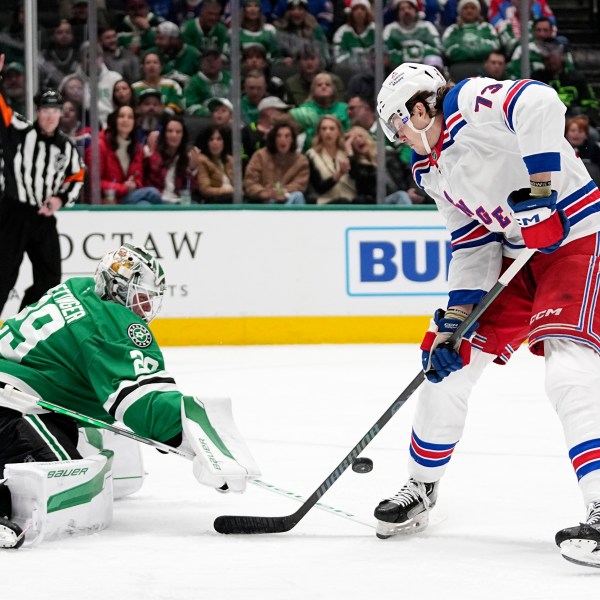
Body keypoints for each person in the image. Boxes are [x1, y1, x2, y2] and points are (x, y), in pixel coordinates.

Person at [374, 62, 600, 568]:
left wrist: (541, 190)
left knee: (568, 369)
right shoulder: (428, 169)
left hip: (574, 239)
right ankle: (422, 486)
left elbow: (541, 103)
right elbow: (473, 242)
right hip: (513, 258)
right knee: (445, 362)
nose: (399, 139)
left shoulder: (465, 101)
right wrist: (455, 317)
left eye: (398, 126)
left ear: (417, 108)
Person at [0, 243, 259, 548]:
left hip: (17, 400)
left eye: (150, 301)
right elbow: (143, 403)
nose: (144, 309)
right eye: (140, 298)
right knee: (61, 478)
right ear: (116, 287)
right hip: (10, 408)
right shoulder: (110, 323)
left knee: (80, 453)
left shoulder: (77, 288)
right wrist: (195, 442)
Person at [0, 63, 85, 318]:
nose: (50, 115)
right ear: (37, 112)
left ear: (61, 114)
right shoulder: (18, 131)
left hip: (42, 218)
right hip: (12, 214)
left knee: (50, 279)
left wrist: (60, 199)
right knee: (3, 276)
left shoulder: (66, 147)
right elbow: (2, 108)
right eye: (45, 110)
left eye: (55, 110)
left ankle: (22, 325)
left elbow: (77, 175)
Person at [84, 105, 162, 205]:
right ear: (114, 120)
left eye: (130, 117)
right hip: (108, 200)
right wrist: (123, 188)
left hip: (129, 197)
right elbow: (94, 183)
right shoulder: (99, 146)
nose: (126, 120)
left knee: (144, 205)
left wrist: (134, 184)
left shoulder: (137, 148)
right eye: (121, 116)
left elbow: (138, 178)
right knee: (152, 194)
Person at [243, 120, 308, 204]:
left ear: (292, 139)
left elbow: (300, 184)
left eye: (287, 136)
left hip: (289, 197)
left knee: (298, 196)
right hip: (264, 201)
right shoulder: (260, 156)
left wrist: (284, 191)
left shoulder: (301, 160)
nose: (283, 140)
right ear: (273, 138)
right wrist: (267, 193)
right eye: (279, 136)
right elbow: (250, 183)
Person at [306, 115, 356, 204]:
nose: (328, 132)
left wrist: (349, 151)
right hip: (325, 203)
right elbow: (319, 188)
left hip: (351, 201)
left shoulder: (347, 152)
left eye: (332, 129)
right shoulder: (311, 155)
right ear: (319, 133)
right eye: (324, 129)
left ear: (339, 132)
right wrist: (339, 174)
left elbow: (358, 175)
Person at [143, 113, 191, 203]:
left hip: (177, 201)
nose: (174, 135)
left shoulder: (186, 157)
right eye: (170, 131)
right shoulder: (152, 152)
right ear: (164, 134)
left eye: (178, 132)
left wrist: (192, 169)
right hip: (157, 200)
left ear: (183, 135)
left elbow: (190, 190)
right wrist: (150, 154)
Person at [195, 124, 234, 203]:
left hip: (233, 201)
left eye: (219, 139)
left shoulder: (230, 160)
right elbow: (205, 190)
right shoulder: (202, 160)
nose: (215, 143)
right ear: (206, 143)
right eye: (211, 139)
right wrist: (226, 191)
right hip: (214, 203)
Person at [565, 115, 600, 187]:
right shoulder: (561, 149)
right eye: (573, 131)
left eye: (580, 131)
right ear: (566, 133)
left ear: (586, 135)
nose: (576, 133)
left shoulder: (594, 148)